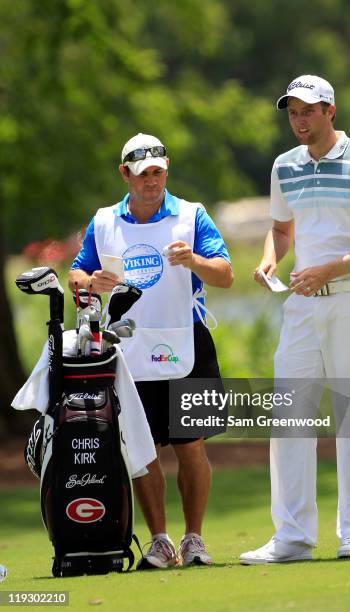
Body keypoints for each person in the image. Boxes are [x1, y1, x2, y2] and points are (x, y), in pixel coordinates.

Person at [240, 75, 350, 564]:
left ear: (331, 111)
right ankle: (292, 537)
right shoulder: (284, 166)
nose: (299, 120)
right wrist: (271, 259)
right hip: (302, 306)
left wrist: (332, 267)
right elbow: (282, 230)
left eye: (308, 110)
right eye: (292, 112)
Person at [69, 132, 233, 569]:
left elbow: (225, 275)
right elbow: (76, 276)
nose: (151, 182)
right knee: (143, 450)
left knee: (191, 444)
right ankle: (160, 541)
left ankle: (194, 539)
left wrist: (194, 261)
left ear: (167, 170)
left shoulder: (192, 216)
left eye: (158, 172)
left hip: (187, 342)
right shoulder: (104, 221)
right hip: (128, 346)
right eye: (142, 174)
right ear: (125, 174)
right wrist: (91, 283)